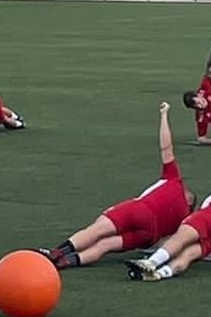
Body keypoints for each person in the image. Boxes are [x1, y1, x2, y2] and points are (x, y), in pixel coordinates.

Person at [38, 103, 196, 269]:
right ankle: (68, 262)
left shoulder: (175, 181)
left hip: (140, 210)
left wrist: (164, 115)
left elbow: (166, 147)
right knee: (106, 245)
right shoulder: (183, 219)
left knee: (96, 230)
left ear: (188, 198)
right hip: (149, 235)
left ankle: (56, 253)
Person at [126, 117, 211, 281]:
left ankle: (152, 263)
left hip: (209, 217)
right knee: (189, 254)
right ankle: (161, 274)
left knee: (180, 239)